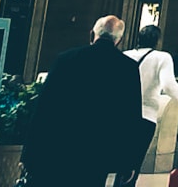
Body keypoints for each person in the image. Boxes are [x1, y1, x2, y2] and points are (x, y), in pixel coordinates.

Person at [23, 15, 145, 187]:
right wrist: (128, 162)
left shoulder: (66, 59)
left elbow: (44, 108)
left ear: (91, 35)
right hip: (97, 153)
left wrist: (29, 154)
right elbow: (130, 118)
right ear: (119, 40)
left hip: (59, 146)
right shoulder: (128, 68)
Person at [125, 24, 178, 170]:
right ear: (157, 41)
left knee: (116, 163)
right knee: (132, 166)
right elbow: (168, 85)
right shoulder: (162, 57)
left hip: (122, 114)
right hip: (145, 116)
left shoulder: (125, 55)